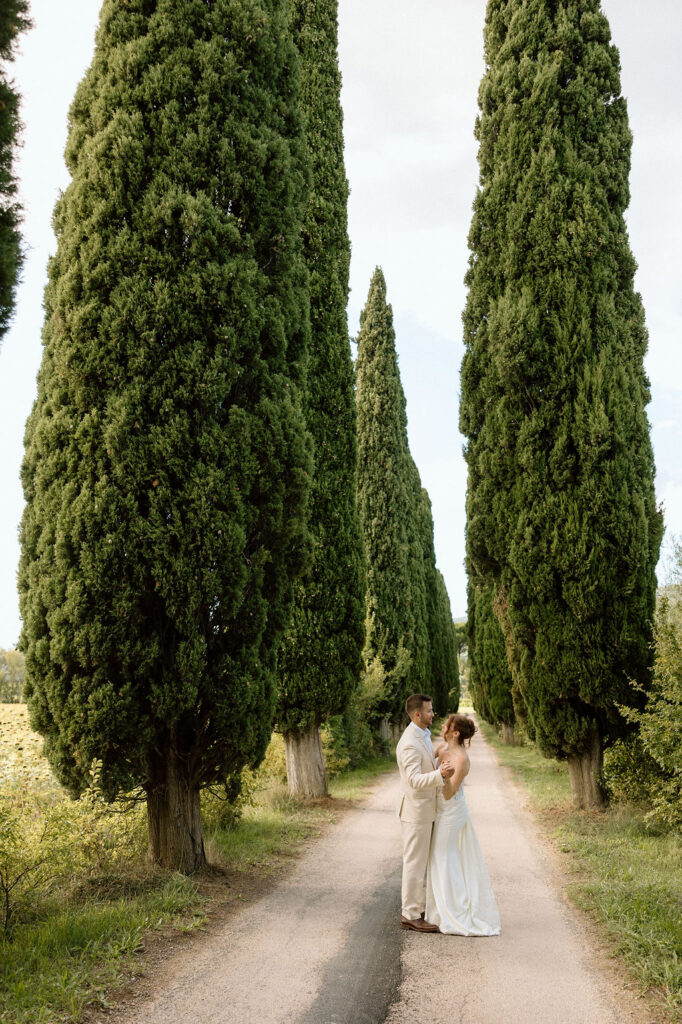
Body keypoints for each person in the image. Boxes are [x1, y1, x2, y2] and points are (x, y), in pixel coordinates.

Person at [425, 713, 501, 936]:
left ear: (455, 732)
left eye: (447, 724)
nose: (442, 725)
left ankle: (455, 910)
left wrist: (444, 776)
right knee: (438, 857)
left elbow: (449, 793)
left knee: (443, 856)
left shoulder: (461, 759)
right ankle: (438, 909)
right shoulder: (441, 749)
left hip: (451, 811)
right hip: (438, 810)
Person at [395, 693, 454, 932]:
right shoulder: (409, 741)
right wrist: (440, 776)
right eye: (429, 711)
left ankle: (416, 907)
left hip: (426, 809)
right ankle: (409, 914)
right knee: (414, 863)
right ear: (417, 714)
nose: (433, 714)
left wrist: (436, 758)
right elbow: (413, 780)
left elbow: (424, 765)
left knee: (419, 863)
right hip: (416, 812)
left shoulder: (422, 734)